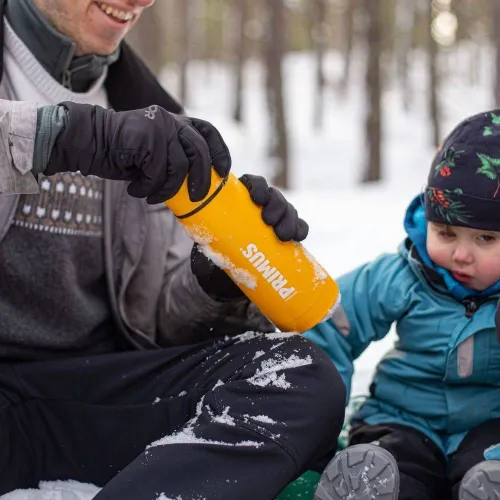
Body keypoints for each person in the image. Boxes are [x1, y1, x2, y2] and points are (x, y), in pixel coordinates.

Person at [0, 0, 348, 499]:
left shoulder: (148, 110)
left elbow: (157, 322)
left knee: (298, 377)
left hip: (83, 397)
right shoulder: (117, 127)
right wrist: (70, 136)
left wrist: (218, 280)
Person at [306, 109, 500, 500]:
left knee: (488, 460)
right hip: (402, 416)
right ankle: (373, 487)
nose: (461, 254)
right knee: (395, 457)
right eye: (445, 232)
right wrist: (319, 419)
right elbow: (328, 322)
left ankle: (489, 480)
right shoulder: (402, 275)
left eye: (484, 240)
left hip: (491, 421)